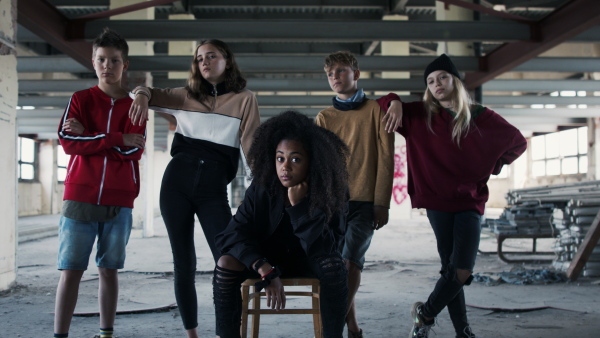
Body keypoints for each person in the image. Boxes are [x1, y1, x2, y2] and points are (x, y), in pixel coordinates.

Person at [377, 54, 528, 338]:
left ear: (455, 81)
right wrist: (394, 99)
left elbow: (517, 142)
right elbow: (376, 105)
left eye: (443, 77)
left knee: (461, 270)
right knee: (451, 268)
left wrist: (493, 165)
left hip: (470, 201)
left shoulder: (481, 116)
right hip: (437, 201)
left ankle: (425, 314)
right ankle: (464, 332)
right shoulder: (419, 115)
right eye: (431, 81)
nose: (437, 84)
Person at [128, 39, 260, 338]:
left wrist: (260, 190)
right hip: (176, 183)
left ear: (227, 59)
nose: (204, 62)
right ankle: (192, 334)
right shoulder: (185, 96)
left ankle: (228, 332)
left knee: (230, 260)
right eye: (199, 58)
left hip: (213, 188)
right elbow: (146, 92)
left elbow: (250, 147)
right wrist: (139, 94)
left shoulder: (244, 99)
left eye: (211, 56)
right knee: (183, 262)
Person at [213, 110, 350, 338]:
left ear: (312, 161)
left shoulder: (331, 192)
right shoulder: (261, 188)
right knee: (225, 262)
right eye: (280, 158)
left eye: (295, 159)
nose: (285, 167)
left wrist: (299, 210)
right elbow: (232, 234)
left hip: (309, 261)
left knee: (334, 267)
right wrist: (263, 267)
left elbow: (329, 247)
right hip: (267, 261)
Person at [54, 28, 146, 338]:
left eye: (115, 61)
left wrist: (90, 137)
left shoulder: (135, 105)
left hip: (119, 201)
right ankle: (60, 335)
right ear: (93, 62)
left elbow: (134, 150)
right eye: (102, 60)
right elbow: (67, 141)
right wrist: (115, 138)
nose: (108, 66)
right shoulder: (79, 99)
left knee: (109, 270)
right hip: (80, 195)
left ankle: (106, 333)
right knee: (71, 271)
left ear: (125, 65)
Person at [315, 51, 395, 338]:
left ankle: (332, 327)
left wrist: (382, 202)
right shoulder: (325, 117)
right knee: (338, 267)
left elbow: (387, 159)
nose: (334, 77)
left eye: (340, 71)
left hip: (365, 202)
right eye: (330, 74)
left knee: (351, 261)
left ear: (356, 74)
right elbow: (320, 165)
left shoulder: (376, 110)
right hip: (333, 203)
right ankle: (352, 327)